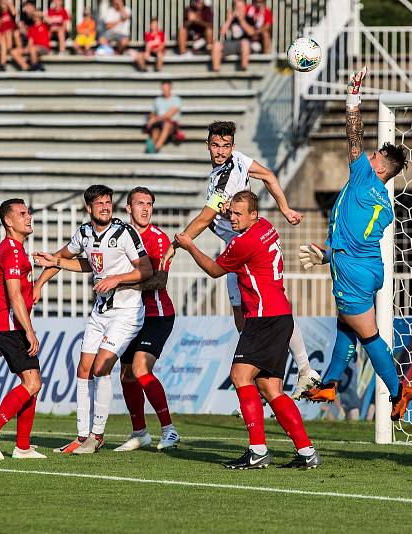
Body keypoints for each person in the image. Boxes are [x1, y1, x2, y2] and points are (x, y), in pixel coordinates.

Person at [162, 120, 321, 397]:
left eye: (225, 146)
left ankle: (303, 369)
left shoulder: (225, 177)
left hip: (246, 250)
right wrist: (284, 209)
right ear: (208, 145)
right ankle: (269, 380)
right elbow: (269, 175)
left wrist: (179, 243)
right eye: (215, 145)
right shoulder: (238, 161)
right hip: (238, 249)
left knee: (270, 309)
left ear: (232, 146)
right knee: (243, 317)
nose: (220, 151)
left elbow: (203, 220)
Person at [298, 67, 412, 429]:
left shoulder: (364, 175)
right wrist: (330, 254)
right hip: (365, 268)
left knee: (368, 334)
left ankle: (398, 390)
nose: (369, 154)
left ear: (380, 168)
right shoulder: (382, 200)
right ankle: (329, 384)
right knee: (346, 327)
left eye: (375, 154)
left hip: (352, 269)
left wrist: (353, 97)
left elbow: (353, 136)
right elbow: (357, 238)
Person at [176, 191, 321, 469]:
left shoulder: (244, 241)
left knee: (240, 376)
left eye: (239, 214)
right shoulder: (265, 226)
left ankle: (257, 451)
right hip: (280, 316)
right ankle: (306, 452)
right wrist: (231, 207)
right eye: (232, 212)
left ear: (252, 215)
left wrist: (189, 245)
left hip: (263, 318)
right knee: (270, 388)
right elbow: (241, 220)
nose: (233, 218)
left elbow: (216, 270)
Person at [33, 185, 152, 454]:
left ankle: (97, 436)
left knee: (101, 368)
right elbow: (67, 258)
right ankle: (82, 435)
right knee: (83, 369)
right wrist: (40, 282)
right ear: (89, 208)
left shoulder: (124, 232)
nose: (105, 207)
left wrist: (116, 279)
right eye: (99, 203)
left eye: (108, 202)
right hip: (100, 312)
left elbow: (145, 269)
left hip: (126, 312)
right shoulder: (84, 233)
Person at [0, 199, 46, 460]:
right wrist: (27, 331)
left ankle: (22, 447)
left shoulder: (13, 250)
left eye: (28, 213)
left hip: (7, 325)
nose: (29, 217)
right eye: (22, 214)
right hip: (11, 325)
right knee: (32, 382)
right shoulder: (12, 251)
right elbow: (14, 296)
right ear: (8, 221)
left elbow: (6, 293)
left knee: (33, 382)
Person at [114, 187, 180, 452]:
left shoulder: (158, 239)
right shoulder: (119, 237)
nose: (145, 208)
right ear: (128, 208)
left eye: (149, 204)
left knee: (141, 368)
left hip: (157, 314)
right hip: (128, 315)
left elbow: (159, 280)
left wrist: (121, 284)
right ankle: (140, 433)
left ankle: (169, 429)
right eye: (139, 204)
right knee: (127, 375)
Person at [212, 0, 253, 72]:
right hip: (233, 43)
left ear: (244, 8)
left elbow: (251, 32)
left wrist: (241, 20)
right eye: (237, 8)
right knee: (216, 44)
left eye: (240, 7)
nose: (239, 10)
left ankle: (243, 69)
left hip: (246, 46)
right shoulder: (232, 19)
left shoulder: (249, 18)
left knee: (245, 42)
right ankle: (216, 69)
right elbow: (222, 33)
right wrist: (229, 19)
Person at [144, 80, 182, 154]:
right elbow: (152, 113)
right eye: (163, 88)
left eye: (166, 88)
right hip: (159, 123)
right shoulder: (157, 100)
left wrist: (155, 119)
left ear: (170, 88)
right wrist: (151, 118)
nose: (164, 90)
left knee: (166, 124)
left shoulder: (176, 100)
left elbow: (169, 115)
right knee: (155, 130)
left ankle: (156, 148)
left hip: (171, 124)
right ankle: (150, 148)